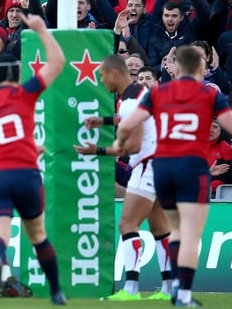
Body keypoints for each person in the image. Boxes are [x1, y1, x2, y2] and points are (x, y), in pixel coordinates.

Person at [115, 45, 232, 307]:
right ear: (200, 68)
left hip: (162, 168)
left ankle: (171, 286)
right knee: (189, 234)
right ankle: (182, 294)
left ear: (177, 66)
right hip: (192, 169)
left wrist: (118, 145)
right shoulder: (208, 95)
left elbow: (128, 123)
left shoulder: (158, 93)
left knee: (174, 230)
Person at [0, 13, 66, 304]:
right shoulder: (23, 93)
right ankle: (56, 292)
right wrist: (42, 31)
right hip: (25, 172)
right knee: (38, 235)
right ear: (16, 75)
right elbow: (57, 64)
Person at [75, 55, 173, 301]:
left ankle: (131, 289)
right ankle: (169, 289)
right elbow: (134, 118)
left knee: (127, 224)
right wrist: (104, 121)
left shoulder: (129, 101)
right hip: (164, 162)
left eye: (102, 76)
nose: (102, 81)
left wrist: (96, 150)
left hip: (148, 164)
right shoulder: (140, 92)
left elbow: (133, 145)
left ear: (114, 73)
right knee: (160, 228)